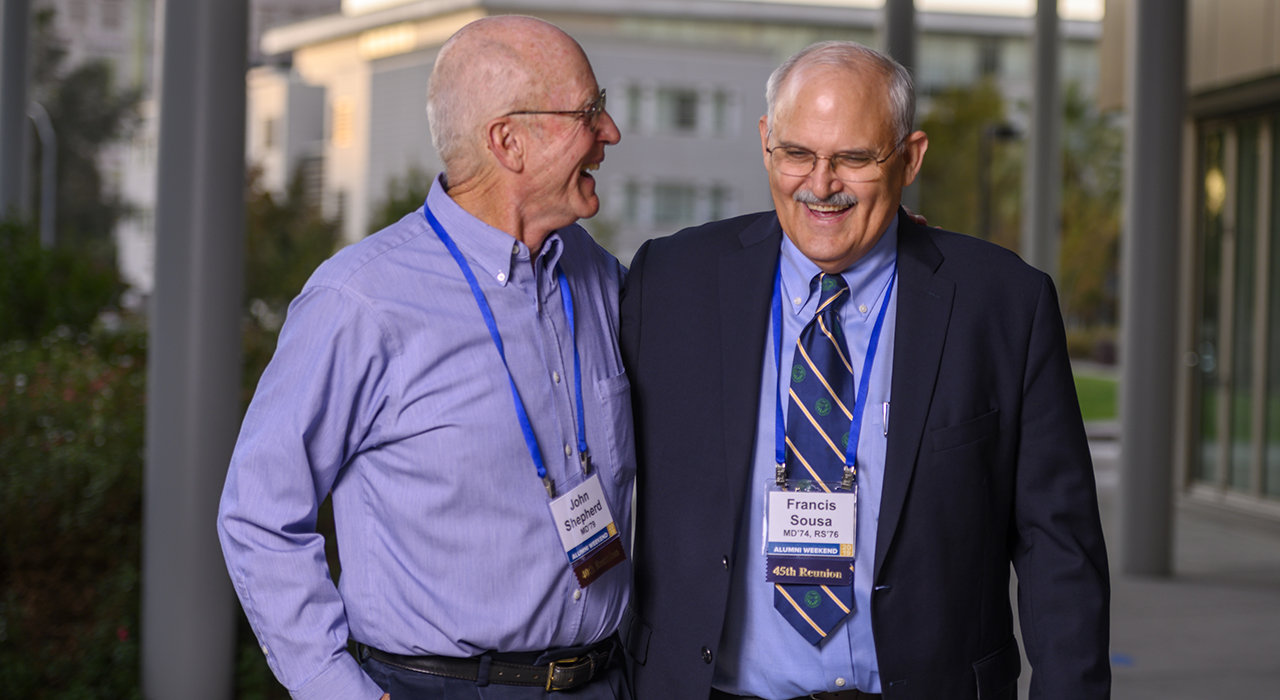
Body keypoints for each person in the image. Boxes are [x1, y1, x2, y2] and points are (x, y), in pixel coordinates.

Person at [618, 41, 1110, 700]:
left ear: (910, 158)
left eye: (854, 158)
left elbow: (1060, 549)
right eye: (797, 153)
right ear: (766, 142)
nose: (821, 185)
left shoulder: (1003, 305)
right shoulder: (669, 283)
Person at [217, 16, 636, 700]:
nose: (610, 131)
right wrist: (332, 688)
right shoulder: (359, 301)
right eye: (589, 112)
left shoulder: (599, 279)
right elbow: (259, 514)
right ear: (510, 142)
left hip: (605, 681)